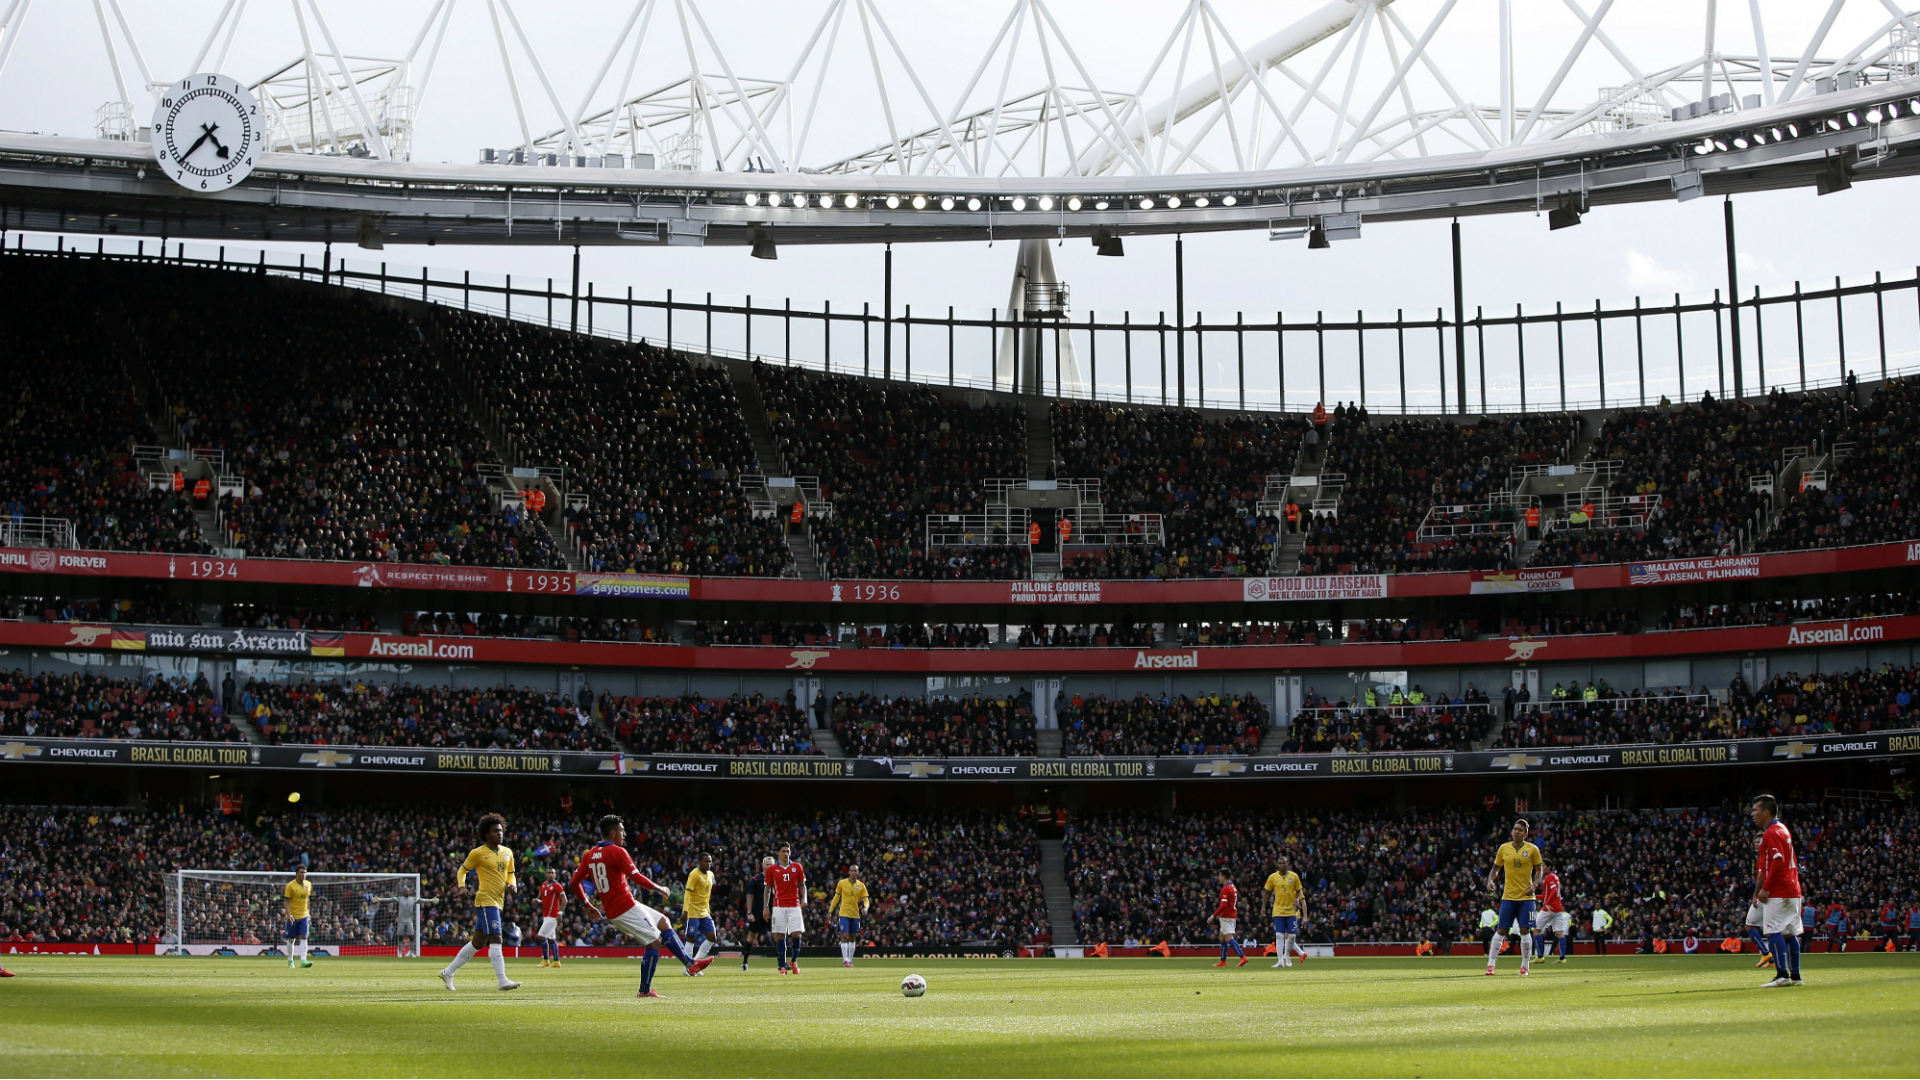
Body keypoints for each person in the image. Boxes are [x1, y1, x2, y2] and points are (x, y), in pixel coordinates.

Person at [568, 815, 713, 999]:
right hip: (623, 907)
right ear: (613, 833)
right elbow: (636, 877)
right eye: (621, 830)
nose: (624, 834)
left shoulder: (589, 855)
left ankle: (689, 963)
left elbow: (574, 882)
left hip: (622, 906)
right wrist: (659, 888)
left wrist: (587, 904)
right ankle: (644, 990)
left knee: (663, 922)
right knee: (654, 941)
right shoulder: (617, 852)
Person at [438, 812, 521, 992]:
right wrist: (461, 887)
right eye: (495, 831)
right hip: (485, 900)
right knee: (496, 937)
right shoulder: (478, 853)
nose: (500, 834)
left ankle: (448, 972)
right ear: (486, 834)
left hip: (498, 902)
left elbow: (510, 873)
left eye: (501, 831)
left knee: (478, 942)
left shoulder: (508, 852)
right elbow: (462, 871)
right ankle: (502, 980)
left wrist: (512, 885)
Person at [1752, 794, 1804, 988]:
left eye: (1755, 810)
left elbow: (1778, 860)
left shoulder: (1771, 832)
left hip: (1779, 889)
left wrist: (1765, 888)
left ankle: (1782, 974)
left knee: (1773, 931)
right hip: (1793, 889)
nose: (1753, 814)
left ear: (1766, 812)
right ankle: (1796, 976)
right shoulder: (1783, 829)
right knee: (1789, 933)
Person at [1484, 818, 1544, 976]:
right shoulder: (1504, 848)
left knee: (1525, 930)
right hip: (1508, 897)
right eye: (1515, 829)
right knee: (1501, 929)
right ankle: (1491, 965)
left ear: (1526, 833)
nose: (1516, 831)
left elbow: (1539, 871)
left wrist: (1535, 885)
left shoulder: (1533, 849)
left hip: (1526, 898)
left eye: (1520, 830)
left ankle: (1525, 966)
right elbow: (1495, 868)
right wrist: (1490, 880)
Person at [764, 843, 807, 975]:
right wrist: (766, 907)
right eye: (783, 851)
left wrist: (804, 898)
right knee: (780, 935)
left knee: (796, 933)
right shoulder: (772, 869)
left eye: (787, 851)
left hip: (794, 905)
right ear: (778, 853)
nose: (786, 853)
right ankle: (782, 966)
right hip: (778, 905)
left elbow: (802, 885)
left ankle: (793, 961)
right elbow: (767, 889)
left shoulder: (797, 867)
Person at [1263, 856, 1306, 970]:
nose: (1282, 865)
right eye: (1280, 863)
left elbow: (1299, 891)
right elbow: (1266, 892)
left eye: (1284, 863)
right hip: (1278, 910)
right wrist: (1263, 906)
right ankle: (1280, 961)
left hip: (1291, 910)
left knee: (1291, 936)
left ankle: (1287, 955)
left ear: (1288, 864)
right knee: (1279, 935)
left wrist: (1297, 900)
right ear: (1278, 865)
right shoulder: (1273, 877)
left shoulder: (1294, 876)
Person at [374, 890, 439, 958]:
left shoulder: (412, 899)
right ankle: (399, 952)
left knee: (411, 936)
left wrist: (431, 900)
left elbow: (421, 900)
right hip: (401, 920)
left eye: (408, 891)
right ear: (403, 893)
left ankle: (412, 952)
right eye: (405, 891)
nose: (407, 892)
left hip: (409, 921)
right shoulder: (399, 899)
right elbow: (390, 899)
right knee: (401, 936)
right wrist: (380, 899)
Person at [683, 852, 719, 966]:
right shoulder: (694, 874)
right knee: (691, 938)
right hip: (693, 910)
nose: (708, 863)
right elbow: (688, 893)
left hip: (704, 911)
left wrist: (708, 909)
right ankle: (688, 967)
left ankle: (696, 963)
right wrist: (685, 911)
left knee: (712, 937)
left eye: (710, 861)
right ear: (699, 862)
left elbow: (707, 895)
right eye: (706, 861)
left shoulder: (711, 875)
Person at [831, 864, 870, 967]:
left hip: (855, 915)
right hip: (843, 913)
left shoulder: (861, 886)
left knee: (852, 937)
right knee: (844, 935)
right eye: (852, 871)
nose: (853, 872)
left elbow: (866, 899)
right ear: (848, 872)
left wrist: (865, 908)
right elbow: (836, 897)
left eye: (855, 871)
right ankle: (845, 960)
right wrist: (830, 911)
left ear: (858, 873)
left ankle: (850, 960)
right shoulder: (842, 883)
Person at [1209, 870, 1248, 968]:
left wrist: (1213, 916)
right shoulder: (1233, 887)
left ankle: (1243, 957)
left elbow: (1223, 905)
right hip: (1231, 914)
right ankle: (1223, 961)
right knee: (1222, 937)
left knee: (1228, 937)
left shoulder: (1226, 888)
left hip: (1227, 916)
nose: (1219, 878)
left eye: (1219, 876)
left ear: (1223, 877)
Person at [1536, 863, 1570, 963]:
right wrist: (1533, 896)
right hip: (1558, 908)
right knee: (1559, 933)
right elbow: (1546, 894)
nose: (1542, 868)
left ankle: (1540, 956)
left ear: (1549, 867)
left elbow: (1554, 891)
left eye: (1543, 866)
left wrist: (1546, 903)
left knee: (1536, 930)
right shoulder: (1555, 877)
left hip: (1549, 908)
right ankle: (1562, 958)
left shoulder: (1549, 877)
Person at [283, 865, 314, 969]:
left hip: (304, 916)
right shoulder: (290, 886)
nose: (303, 874)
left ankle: (303, 960)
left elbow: (307, 899)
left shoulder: (308, 885)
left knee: (304, 936)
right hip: (293, 916)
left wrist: (308, 912)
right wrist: (288, 914)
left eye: (305, 872)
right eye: (301, 872)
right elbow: (286, 901)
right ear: (297, 873)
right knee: (291, 939)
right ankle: (290, 961)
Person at [536, 872, 567, 968]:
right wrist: (537, 901)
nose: (551, 874)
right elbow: (541, 898)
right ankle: (556, 962)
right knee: (551, 939)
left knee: (541, 936)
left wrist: (560, 913)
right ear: (546, 875)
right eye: (549, 873)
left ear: (555, 875)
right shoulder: (543, 885)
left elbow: (565, 900)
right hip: (546, 916)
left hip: (553, 916)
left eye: (553, 873)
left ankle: (546, 959)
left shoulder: (557, 886)